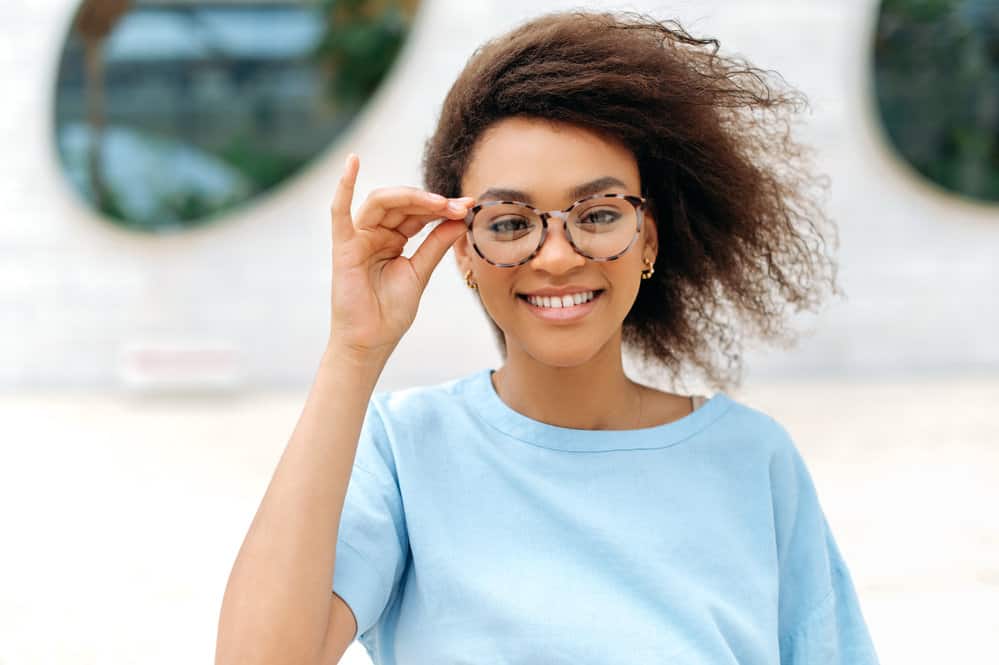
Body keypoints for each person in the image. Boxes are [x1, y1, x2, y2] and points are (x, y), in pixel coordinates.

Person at [216, 10, 880, 665]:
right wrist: (352, 350)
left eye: (596, 214)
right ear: (465, 253)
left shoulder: (753, 459)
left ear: (646, 239)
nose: (557, 256)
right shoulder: (402, 450)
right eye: (509, 222)